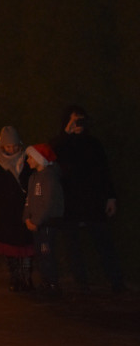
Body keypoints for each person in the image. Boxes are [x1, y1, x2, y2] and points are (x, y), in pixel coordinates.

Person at [51, 105, 124, 294]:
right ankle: (81, 282)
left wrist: (110, 197)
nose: (79, 124)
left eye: (81, 120)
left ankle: (116, 280)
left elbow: (104, 172)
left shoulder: (93, 144)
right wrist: (66, 134)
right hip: (70, 201)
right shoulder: (62, 143)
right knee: (72, 245)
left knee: (103, 241)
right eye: (75, 120)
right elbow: (48, 157)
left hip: (92, 200)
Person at [0, 126, 35, 292]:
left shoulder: (27, 159)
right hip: (5, 212)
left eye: (14, 146)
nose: (11, 150)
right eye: (8, 146)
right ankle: (15, 277)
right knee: (10, 247)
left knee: (26, 245)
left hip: (24, 209)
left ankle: (26, 278)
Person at [23, 143, 63, 297]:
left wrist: (37, 221)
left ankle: (53, 284)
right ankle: (46, 282)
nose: (28, 161)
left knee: (46, 253)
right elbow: (29, 200)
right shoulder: (33, 177)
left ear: (39, 159)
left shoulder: (49, 177)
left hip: (46, 224)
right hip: (36, 223)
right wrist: (26, 217)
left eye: (30, 157)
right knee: (40, 254)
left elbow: (48, 203)